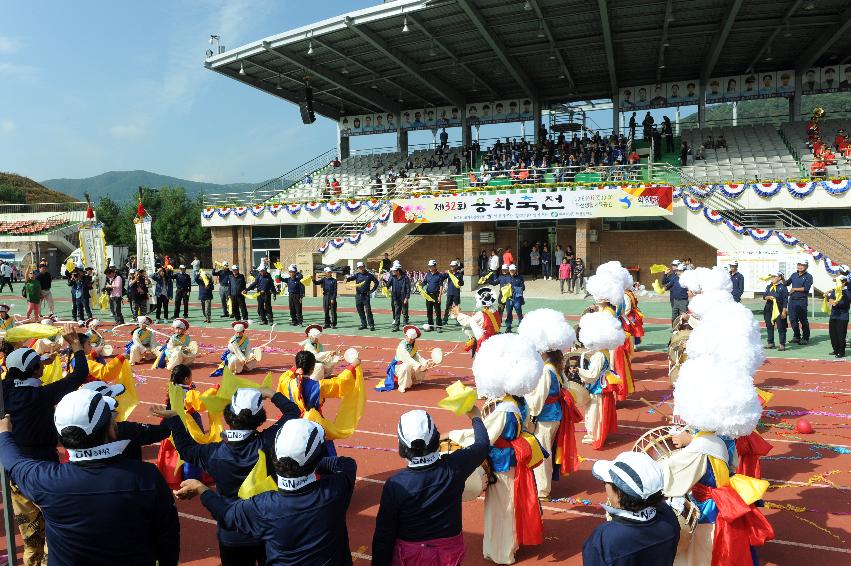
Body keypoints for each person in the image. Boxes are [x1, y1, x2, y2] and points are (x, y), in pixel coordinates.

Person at [0, 387, 180, 566]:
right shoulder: (147, 477)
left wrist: (4, 433)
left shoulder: (46, 481)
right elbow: (168, 540)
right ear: (110, 429)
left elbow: (13, 460)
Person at [175, 419, 357, 565]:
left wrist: (202, 489)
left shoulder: (263, 506)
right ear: (318, 458)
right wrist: (312, 465)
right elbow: (346, 463)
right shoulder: (337, 489)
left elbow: (227, 515)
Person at [156, 387, 300, 566]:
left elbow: (186, 450)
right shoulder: (270, 442)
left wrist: (174, 419)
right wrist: (271, 394)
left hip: (233, 533)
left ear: (228, 415)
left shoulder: (214, 453)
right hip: (269, 529)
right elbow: (293, 412)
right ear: (260, 417)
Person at [2, 330, 89, 565]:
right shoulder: (41, 395)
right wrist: (77, 347)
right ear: (33, 370)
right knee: (53, 529)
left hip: (14, 472)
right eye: (38, 365)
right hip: (44, 472)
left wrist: (36, 362)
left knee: (30, 536)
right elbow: (80, 374)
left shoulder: (5, 392)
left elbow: (12, 376)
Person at [371, 408, 488, 566]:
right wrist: (476, 417)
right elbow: (482, 445)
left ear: (402, 447)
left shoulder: (395, 485)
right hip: (448, 557)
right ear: (436, 438)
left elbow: (384, 535)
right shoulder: (456, 467)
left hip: (408, 558)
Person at [518, 309, 581, 499]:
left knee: (543, 451)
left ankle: (543, 490)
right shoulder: (555, 367)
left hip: (546, 417)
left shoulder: (546, 370)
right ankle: (543, 485)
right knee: (548, 449)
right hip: (555, 414)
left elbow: (539, 398)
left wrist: (529, 412)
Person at [582, 452, 679, 565]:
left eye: (605, 482)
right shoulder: (668, 517)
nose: (605, 487)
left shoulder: (604, 539)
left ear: (619, 494)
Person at [577, 311, 623, 449]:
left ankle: (595, 435)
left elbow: (592, 374)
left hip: (597, 387)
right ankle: (596, 433)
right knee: (597, 411)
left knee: (594, 412)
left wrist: (578, 371)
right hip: (602, 385)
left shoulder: (598, 356)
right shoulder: (605, 351)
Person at [451, 287, 501, 358]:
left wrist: (458, 314)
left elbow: (469, 322)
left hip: (485, 343)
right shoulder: (496, 312)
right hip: (496, 342)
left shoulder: (481, 314)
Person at [380, 325, 432, 393]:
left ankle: (414, 381)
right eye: (409, 338)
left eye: (413, 339)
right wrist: (419, 366)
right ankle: (402, 386)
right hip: (398, 366)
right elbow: (408, 359)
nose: (411, 340)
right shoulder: (402, 346)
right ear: (406, 336)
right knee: (407, 366)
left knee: (423, 365)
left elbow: (417, 356)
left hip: (409, 363)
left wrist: (426, 362)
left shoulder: (413, 345)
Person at [786, 260, 813, 345]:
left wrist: (794, 289)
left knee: (803, 320)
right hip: (792, 300)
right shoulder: (794, 275)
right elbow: (786, 283)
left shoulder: (809, 276)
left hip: (801, 301)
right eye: (799, 265)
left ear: (806, 267)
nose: (800, 266)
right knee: (793, 319)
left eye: (802, 265)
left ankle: (805, 338)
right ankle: (796, 336)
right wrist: (781, 278)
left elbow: (806, 288)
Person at [346, 261, 378, 331]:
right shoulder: (357, 275)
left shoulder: (369, 275)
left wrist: (372, 291)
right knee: (360, 310)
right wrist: (346, 278)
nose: (361, 268)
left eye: (362, 267)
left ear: (364, 267)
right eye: (359, 267)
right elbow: (350, 279)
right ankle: (364, 324)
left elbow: (376, 282)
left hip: (366, 296)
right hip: (358, 296)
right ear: (358, 268)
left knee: (368, 310)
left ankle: (371, 325)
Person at [763, 271, 789, 351]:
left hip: (779, 308)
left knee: (781, 326)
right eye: (772, 276)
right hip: (769, 308)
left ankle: (782, 344)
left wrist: (784, 311)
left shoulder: (783, 287)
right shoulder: (769, 286)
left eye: (774, 277)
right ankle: (770, 342)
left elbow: (785, 300)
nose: (772, 278)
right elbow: (764, 296)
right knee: (769, 325)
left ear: (780, 278)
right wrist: (767, 297)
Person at [827, 275, 849, 358]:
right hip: (833, 315)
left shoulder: (847, 292)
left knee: (841, 334)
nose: (837, 283)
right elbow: (830, 296)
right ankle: (835, 349)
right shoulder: (835, 290)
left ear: (844, 282)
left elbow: (845, 303)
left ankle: (841, 351)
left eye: (839, 281)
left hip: (842, 316)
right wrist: (830, 299)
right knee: (833, 334)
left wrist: (835, 302)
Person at [421, 260, 446, 332]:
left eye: (431, 266)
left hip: (436, 295)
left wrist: (440, 296)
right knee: (429, 311)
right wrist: (420, 284)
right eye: (429, 266)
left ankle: (439, 327)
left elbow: (441, 286)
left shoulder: (439, 275)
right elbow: (424, 283)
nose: (430, 267)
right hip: (428, 295)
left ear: (435, 266)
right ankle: (431, 326)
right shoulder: (428, 274)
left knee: (437, 312)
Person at [385, 261, 410, 332]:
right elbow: (387, 285)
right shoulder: (392, 277)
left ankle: (405, 326)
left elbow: (408, 288)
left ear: (398, 271)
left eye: (393, 270)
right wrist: (383, 280)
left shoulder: (405, 278)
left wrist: (407, 298)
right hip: (395, 298)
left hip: (403, 298)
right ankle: (396, 326)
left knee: (405, 312)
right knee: (397, 312)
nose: (392, 271)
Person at [504, 264, 525, 333]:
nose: (512, 271)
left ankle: (521, 325)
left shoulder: (520, 277)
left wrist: (516, 288)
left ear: (515, 270)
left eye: (513, 270)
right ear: (509, 271)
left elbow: (523, 287)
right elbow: (503, 287)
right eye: (511, 270)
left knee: (518, 310)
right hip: (509, 298)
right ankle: (508, 327)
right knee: (509, 312)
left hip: (517, 297)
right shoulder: (506, 278)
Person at [442, 260, 464, 326]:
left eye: (453, 266)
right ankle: (445, 320)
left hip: (456, 293)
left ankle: (458, 320)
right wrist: (444, 273)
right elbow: (442, 278)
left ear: (456, 267)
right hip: (449, 293)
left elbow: (462, 283)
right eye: (451, 266)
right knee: (448, 307)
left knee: (456, 307)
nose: (451, 267)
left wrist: (460, 283)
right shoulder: (449, 274)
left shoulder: (459, 274)